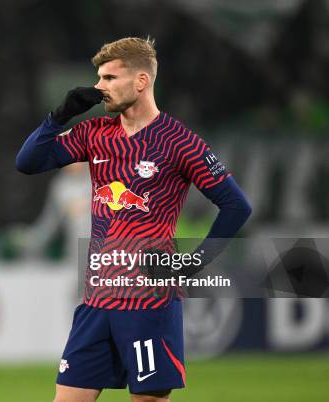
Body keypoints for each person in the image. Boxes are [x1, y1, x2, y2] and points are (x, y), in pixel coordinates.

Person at [16, 37, 251, 402]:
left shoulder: (180, 142)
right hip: (96, 302)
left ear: (141, 81)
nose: (99, 87)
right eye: (99, 78)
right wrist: (58, 116)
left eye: (109, 78)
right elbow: (28, 162)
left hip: (148, 303)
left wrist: (193, 263)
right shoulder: (94, 134)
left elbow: (237, 207)